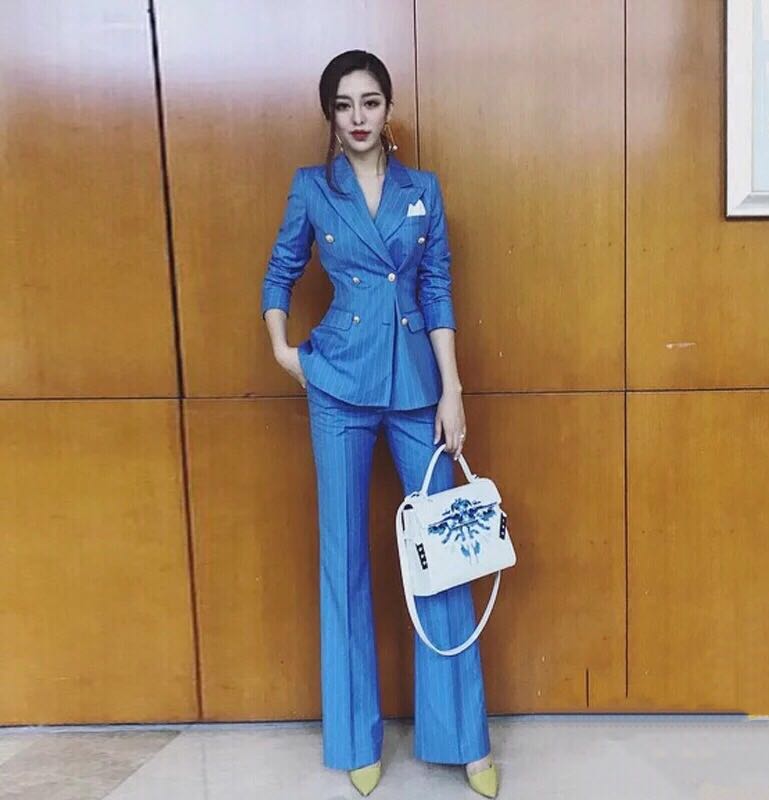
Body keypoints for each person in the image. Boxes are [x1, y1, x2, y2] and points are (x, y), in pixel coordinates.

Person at [260, 49, 498, 798]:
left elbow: (438, 289)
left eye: (369, 102)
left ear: (388, 109)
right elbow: (279, 272)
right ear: (330, 116)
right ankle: (355, 736)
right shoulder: (312, 188)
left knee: (444, 551)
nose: (357, 117)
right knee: (345, 558)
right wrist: (285, 352)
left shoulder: (423, 190)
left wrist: (452, 391)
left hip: (418, 388)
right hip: (336, 382)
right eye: (343, 105)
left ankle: (463, 739)